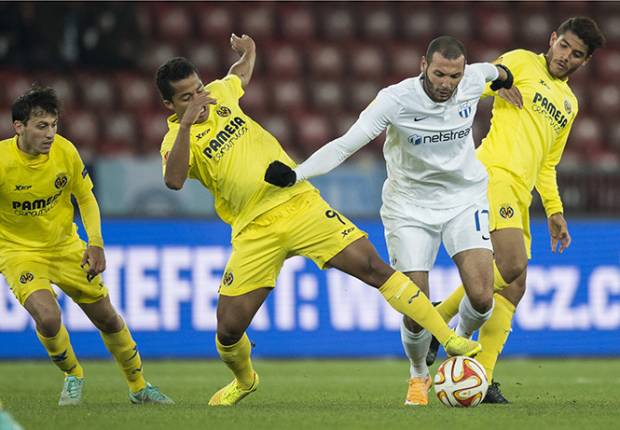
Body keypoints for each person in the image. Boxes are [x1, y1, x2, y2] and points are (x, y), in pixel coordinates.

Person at [155, 33, 481, 407]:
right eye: (187, 97)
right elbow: (174, 180)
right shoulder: (174, 141)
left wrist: (251, 52)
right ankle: (244, 380)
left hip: (299, 203)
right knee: (228, 329)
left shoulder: (220, 94)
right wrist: (185, 127)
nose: (199, 100)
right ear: (169, 104)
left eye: (199, 89)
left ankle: (449, 337)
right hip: (254, 229)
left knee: (374, 266)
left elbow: (238, 76)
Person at [265, 36, 516, 406]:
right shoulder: (395, 100)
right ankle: (418, 375)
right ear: (423, 66)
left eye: (455, 75)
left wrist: (508, 81)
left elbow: (503, 71)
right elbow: (346, 144)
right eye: (440, 74)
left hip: (464, 199)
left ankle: (456, 349)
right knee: (416, 312)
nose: (447, 83)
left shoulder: (474, 79)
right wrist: (297, 174)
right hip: (409, 207)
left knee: (481, 297)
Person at [425, 17, 605, 403]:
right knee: (511, 264)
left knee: (515, 286)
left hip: (520, 192)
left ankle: (483, 377)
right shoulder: (521, 62)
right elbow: (471, 80)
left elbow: (547, 164)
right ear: (552, 39)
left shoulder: (569, 104)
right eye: (564, 46)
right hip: (492, 175)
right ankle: (437, 319)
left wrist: (554, 211)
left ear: (585, 61)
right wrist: (495, 85)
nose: (566, 57)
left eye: (577, 54)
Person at [0, 86, 173, 406]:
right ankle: (73, 374)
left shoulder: (65, 151)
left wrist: (95, 243)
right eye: (42, 126)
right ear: (19, 127)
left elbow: (85, 197)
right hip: (19, 252)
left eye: (54, 125)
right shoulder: (2, 162)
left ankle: (139, 387)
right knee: (48, 318)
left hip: (66, 247)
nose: (51, 133)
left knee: (107, 318)